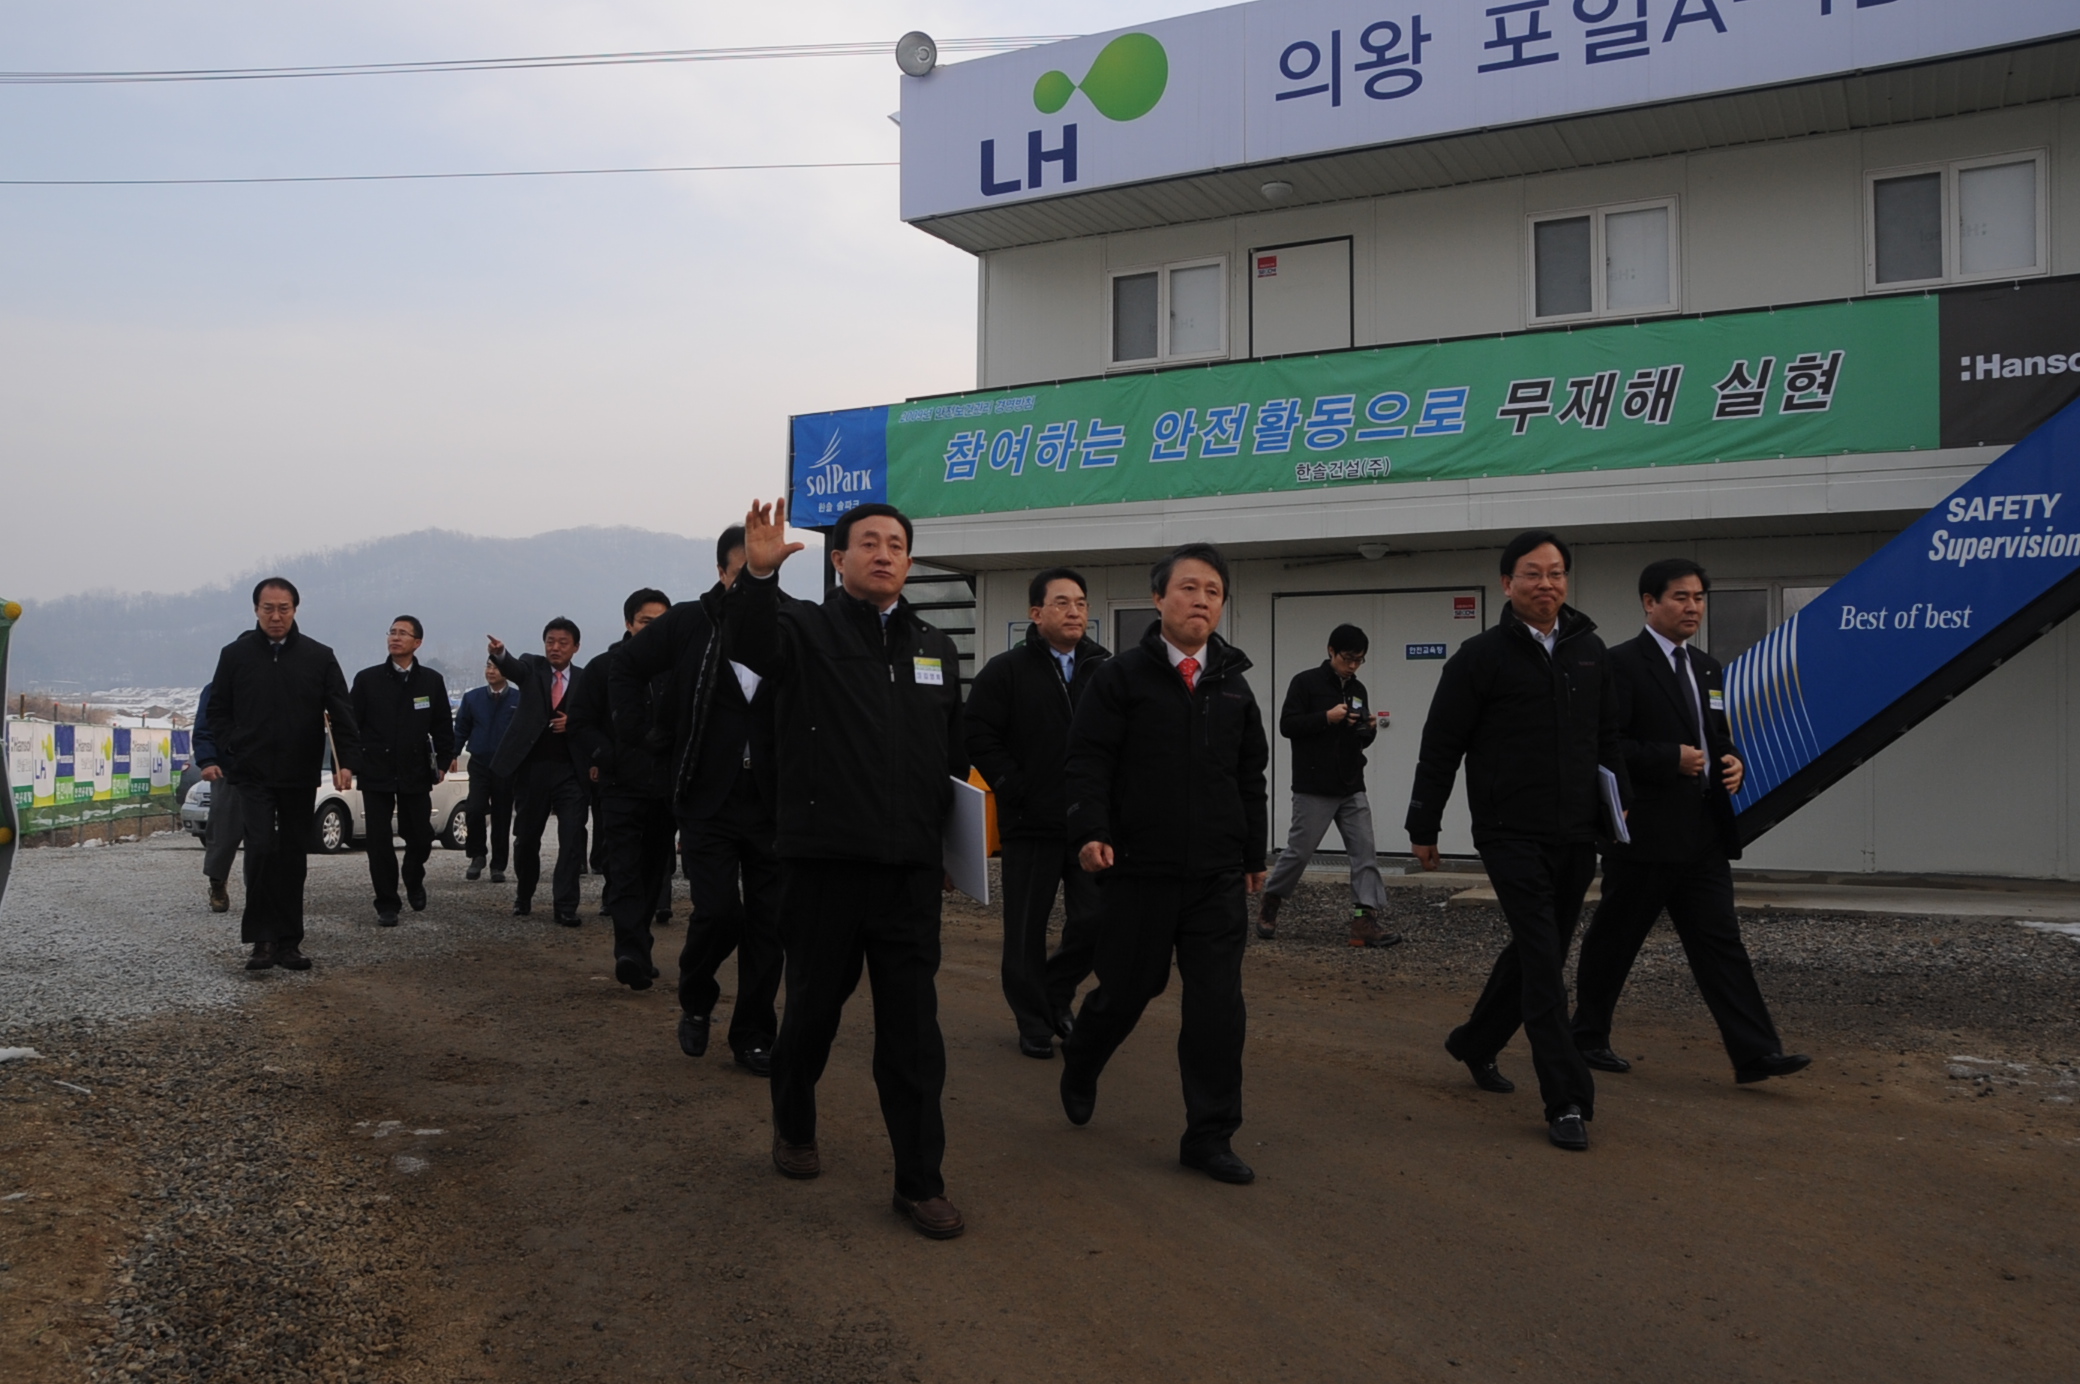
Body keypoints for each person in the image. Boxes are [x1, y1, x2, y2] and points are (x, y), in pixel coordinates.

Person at [729, 498, 969, 1240]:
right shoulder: (803, 628)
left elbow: (949, 758)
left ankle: (920, 1182)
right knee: (811, 1015)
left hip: (907, 875)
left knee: (913, 1035)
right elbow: (750, 646)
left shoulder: (935, 645)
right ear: (839, 558)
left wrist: (956, 852)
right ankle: (794, 1124)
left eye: (897, 543)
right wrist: (758, 578)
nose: (885, 553)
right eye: (869, 543)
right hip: (825, 867)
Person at [1406, 530, 1630, 1153]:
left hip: (1575, 832)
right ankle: (1566, 1097)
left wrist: (1617, 815)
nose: (1546, 584)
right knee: (1541, 956)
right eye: (1532, 574)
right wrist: (1424, 825)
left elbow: (1606, 739)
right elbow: (1440, 744)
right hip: (1508, 833)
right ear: (1507, 584)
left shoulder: (1590, 651)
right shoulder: (1479, 658)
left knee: (1544, 949)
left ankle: (1475, 1042)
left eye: (1556, 573)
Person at [1059, 542, 1270, 1186]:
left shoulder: (1234, 685)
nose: (1200, 599)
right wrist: (1092, 829)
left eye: (1212, 590)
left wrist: (1252, 853)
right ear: (1159, 599)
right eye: (1188, 588)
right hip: (1140, 869)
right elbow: (1088, 759)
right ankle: (1083, 1057)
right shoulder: (1119, 677)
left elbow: (1248, 776)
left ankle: (1209, 1135)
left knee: (1217, 1006)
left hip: (1213, 877)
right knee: (1128, 988)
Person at [1571, 559, 1811, 1085]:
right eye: (1680, 597)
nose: (1693, 607)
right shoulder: (1621, 665)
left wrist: (1732, 760)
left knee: (1721, 943)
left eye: (1699, 597)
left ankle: (1755, 1053)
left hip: (1702, 832)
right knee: (1615, 940)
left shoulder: (1708, 668)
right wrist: (1668, 760)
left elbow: (1714, 736)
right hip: (1645, 835)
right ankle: (1586, 1036)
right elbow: (1607, 746)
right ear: (1649, 602)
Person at [619, 526, 783, 1076]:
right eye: (745, 569)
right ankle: (696, 996)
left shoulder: (792, 621)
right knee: (718, 912)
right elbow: (625, 668)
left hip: (773, 802)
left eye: (768, 568)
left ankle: (755, 1034)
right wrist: (646, 738)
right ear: (722, 571)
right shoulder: (689, 622)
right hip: (705, 797)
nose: (755, 580)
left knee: (770, 924)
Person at [963, 566, 1110, 1059]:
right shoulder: (1007, 670)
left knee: (1096, 920)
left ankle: (1054, 994)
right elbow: (978, 732)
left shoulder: (1103, 669)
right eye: (1063, 603)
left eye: (1082, 603)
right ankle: (1032, 1022)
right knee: (1026, 928)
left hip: (1089, 824)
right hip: (1029, 822)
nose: (1075, 612)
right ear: (1036, 613)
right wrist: (1012, 785)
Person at [195, 577, 359, 972]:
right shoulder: (235, 656)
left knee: (292, 855)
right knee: (260, 849)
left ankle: (289, 941)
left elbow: (341, 712)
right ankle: (261, 941)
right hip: (251, 773)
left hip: (299, 772)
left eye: (283, 608)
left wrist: (347, 763)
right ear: (255, 610)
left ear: (295, 610)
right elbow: (217, 711)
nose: (276, 616)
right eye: (268, 608)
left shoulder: (319, 657)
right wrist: (233, 746)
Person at [1257, 623, 1400, 949]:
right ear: (1330, 651)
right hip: (1314, 784)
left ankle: (1364, 920)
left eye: (1359, 660)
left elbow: (1360, 739)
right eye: (1348, 658)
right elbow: (1287, 725)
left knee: (1364, 851)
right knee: (1299, 852)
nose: (1352, 666)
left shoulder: (1358, 689)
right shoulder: (1305, 682)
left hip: (1351, 783)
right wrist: (1326, 717)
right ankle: (1272, 901)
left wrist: (1368, 728)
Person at [570, 588, 676, 990]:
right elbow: (580, 723)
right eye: (648, 622)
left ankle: (639, 946)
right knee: (624, 869)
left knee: (654, 871)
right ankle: (629, 951)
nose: (655, 629)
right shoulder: (604, 668)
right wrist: (606, 755)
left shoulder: (677, 668)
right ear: (630, 623)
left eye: (662, 622)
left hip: (664, 789)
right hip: (619, 787)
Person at [349, 616, 457, 928]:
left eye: (403, 634)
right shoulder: (368, 680)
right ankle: (387, 902)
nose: (395, 638)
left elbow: (442, 727)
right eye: (392, 632)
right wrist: (351, 761)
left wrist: (443, 759)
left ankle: (413, 875)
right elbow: (351, 725)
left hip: (415, 770)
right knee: (379, 841)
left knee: (420, 836)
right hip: (376, 770)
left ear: (417, 642)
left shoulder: (430, 681)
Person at [489, 619, 588, 926]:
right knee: (527, 839)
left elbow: (595, 716)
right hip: (532, 770)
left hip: (571, 772)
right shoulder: (532, 667)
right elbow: (513, 669)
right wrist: (501, 654)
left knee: (572, 837)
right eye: (550, 641)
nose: (555, 648)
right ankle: (525, 894)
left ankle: (566, 905)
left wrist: (573, 723)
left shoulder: (586, 680)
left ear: (575, 647)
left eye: (562, 642)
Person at [452, 657, 519, 882]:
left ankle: (498, 865)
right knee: (475, 808)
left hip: (505, 765)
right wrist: (452, 753)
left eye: (496, 667)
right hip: (479, 762)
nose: (491, 671)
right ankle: (477, 854)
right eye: (488, 666)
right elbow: (461, 727)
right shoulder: (473, 698)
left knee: (501, 814)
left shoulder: (518, 699)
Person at [192, 676, 245, 913]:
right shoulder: (216, 689)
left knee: (263, 839)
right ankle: (217, 883)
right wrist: (208, 761)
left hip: (266, 771)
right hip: (228, 770)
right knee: (223, 833)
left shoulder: (275, 683)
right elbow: (203, 728)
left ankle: (259, 890)